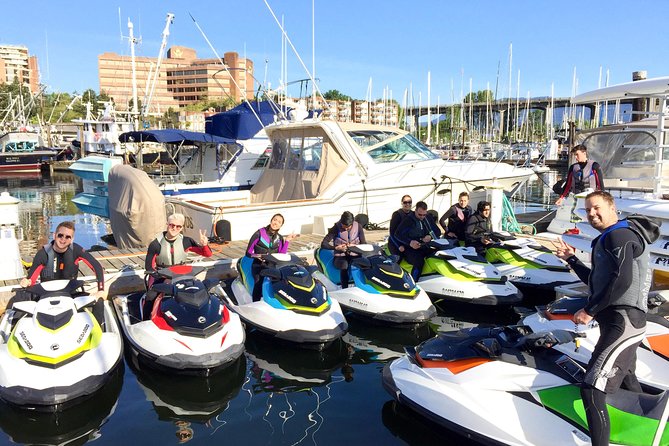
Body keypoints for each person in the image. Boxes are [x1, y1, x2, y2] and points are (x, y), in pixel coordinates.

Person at [555, 190, 660, 446]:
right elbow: (597, 282)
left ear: (612, 208)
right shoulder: (610, 238)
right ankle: (647, 433)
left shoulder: (619, 235)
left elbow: (621, 281)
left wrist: (590, 310)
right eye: (588, 210)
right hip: (619, 322)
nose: (591, 213)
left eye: (596, 208)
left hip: (622, 322)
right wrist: (571, 259)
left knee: (591, 388)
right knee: (627, 379)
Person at [20, 221, 105, 298]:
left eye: (67, 237)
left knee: (98, 303)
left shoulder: (76, 250)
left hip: (71, 295)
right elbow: (31, 279)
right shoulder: (43, 254)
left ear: (71, 240)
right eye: (60, 235)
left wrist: (101, 290)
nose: (63, 239)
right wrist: (26, 282)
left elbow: (96, 266)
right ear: (54, 235)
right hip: (47, 296)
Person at [246, 213, 298, 300]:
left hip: (271, 266)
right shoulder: (259, 233)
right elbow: (248, 252)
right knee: (259, 284)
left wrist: (287, 241)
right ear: (271, 221)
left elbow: (281, 255)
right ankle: (256, 303)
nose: (276, 223)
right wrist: (257, 256)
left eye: (279, 222)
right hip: (259, 265)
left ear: (281, 225)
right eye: (275, 220)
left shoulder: (279, 238)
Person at [145, 213, 212, 273]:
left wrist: (205, 245)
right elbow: (149, 268)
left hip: (182, 274)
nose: (174, 228)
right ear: (167, 225)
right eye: (172, 225)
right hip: (162, 276)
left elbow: (208, 254)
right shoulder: (156, 244)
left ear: (181, 228)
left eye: (178, 226)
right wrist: (161, 277)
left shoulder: (186, 241)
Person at [393, 201, 441, 281]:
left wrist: (429, 236)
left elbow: (438, 231)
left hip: (424, 245)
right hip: (410, 248)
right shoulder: (408, 220)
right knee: (419, 261)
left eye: (424, 214)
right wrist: (410, 242)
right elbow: (397, 234)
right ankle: (414, 282)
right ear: (415, 211)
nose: (422, 217)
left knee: (438, 254)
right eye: (420, 214)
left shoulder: (428, 218)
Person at [321, 211, 367, 288]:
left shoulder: (358, 227)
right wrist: (335, 248)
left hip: (355, 255)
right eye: (343, 227)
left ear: (352, 224)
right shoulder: (336, 228)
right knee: (344, 265)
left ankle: (362, 286)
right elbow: (324, 244)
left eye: (347, 227)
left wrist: (354, 246)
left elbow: (364, 244)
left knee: (363, 263)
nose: (345, 229)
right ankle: (344, 288)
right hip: (340, 256)